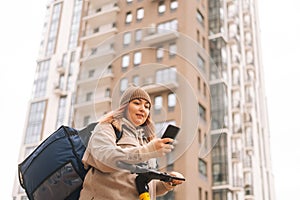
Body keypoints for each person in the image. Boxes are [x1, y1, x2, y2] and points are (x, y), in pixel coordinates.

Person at [79, 85, 184, 200]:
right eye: (137, 103)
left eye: (147, 106)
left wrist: (167, 183)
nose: (143, 109)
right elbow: (105, 159)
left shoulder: (146, 140)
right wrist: (147, 151)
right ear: (124, 106)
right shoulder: (107, 127)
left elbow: (145, 185)